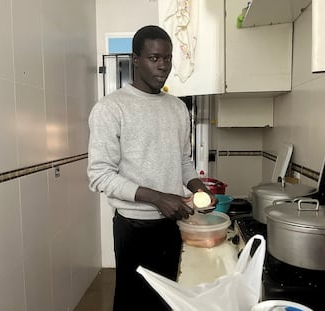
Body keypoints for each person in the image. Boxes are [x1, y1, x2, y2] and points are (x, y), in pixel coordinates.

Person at [87, 25, 217, 310]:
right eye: (154, 58)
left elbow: (183, 160)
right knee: (133, 302)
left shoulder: (177, 108)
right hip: (133, 228)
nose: (163, 66)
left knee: (166, 298)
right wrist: (158, 197)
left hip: (171, 225)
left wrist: (199, 187)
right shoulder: (111, 108)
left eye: (167, 58)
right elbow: (100, 175)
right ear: (136, 60)